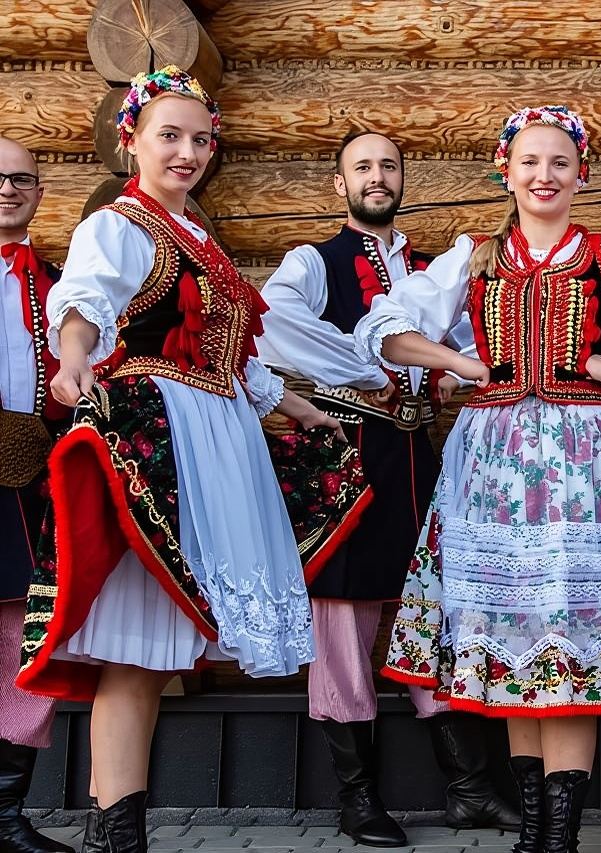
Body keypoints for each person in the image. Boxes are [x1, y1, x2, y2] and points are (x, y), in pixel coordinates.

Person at [354, 105, 601, 853]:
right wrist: (459, 362)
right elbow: (384, 327)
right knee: (509, 634)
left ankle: (559, 836)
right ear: (507, 171)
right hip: (493, 465)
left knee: (570, 633)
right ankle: (535, 832)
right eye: (529, 161)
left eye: (559, 162)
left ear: (581, 174)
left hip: (585, 466)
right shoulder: (474, 257)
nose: (544, 175)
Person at [16, 67, 347, 853]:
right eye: (169, 135)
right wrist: (73, 357)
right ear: (130, 139)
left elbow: (236, 355)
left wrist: (300, 408)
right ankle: (115, 836)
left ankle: (120, 830)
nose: (187, 153)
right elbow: (85, 303)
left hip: (218, 434)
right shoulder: (119, 225)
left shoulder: (197, 236)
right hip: (162, 442)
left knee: (162, 647)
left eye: (200, 139)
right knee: (138, 647)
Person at [257, 129, 517, 847]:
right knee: (341, 618)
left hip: (417, 454)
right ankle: (358, 799)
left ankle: (469, 789)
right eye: (362, 167)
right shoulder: (314, 261)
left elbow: (479, 340)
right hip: (346, 449)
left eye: (389, 166)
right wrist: (367, 362)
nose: (377, 176)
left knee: (436, 609)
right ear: (340, 185)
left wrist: (452, 362)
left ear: (404, 179)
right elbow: (273, 324)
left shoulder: (432, 270)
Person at [0, 137, 74, 853]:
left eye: (21, 179)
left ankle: (4, 811)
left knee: (25, 630)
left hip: (29, 474)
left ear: (39, 194)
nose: (8, 189)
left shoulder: (57, 284)